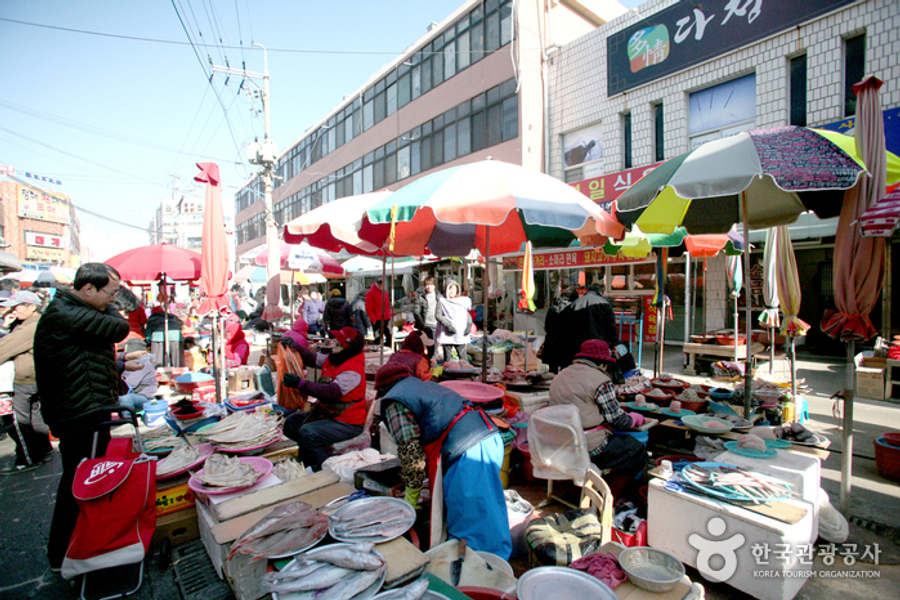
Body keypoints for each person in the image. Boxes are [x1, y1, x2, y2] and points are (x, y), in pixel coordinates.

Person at [34, 262, 132, 571]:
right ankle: (63, 553)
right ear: (88, 289)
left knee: (86, 477)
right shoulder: (64, 313)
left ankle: (84, 545)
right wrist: (112, 308)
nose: (113, 300)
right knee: (78, 482)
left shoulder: (76, 310)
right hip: (78, 411)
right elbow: (119, 327)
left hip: (86, 406)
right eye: (110, 293)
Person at [374, 362, 511, 559]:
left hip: (468, 451)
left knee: (471, 524)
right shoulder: (423, 386)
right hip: (488, 437)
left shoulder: (394, 402)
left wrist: (411, 495)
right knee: (488, 511)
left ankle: (481, 569)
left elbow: (411, 452)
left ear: (382, 390)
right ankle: (495, 561)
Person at [548, 339, 646, 498]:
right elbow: (619, 421)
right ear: (603, 363)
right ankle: (610, 498)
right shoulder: (600, 380)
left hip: (559, 442)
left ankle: (576, 491)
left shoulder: (562, 374)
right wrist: (634, 418)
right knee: (635, 449)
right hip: (587, 446)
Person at [279, 326, 367, 471]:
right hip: (328, 414)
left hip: (348, 422)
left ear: (347, 348)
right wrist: (295, 345)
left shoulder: (353, 369)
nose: (333, 346)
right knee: (291, 422)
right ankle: (303, 461)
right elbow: (312, 358)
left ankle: (322, 470)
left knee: (309, 433)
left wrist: (300, 384)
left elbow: (331, 392)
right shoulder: (334, 358)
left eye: (337, 344)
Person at [0, 291, 52, 474]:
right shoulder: (36, 322)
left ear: (31, 307)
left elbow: (3, 349)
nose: (13, 310)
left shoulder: (30, 327)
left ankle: (27, 459)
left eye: (17, 306)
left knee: (18, 421)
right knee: (34, 416)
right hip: (35, 378)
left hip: (24, 380)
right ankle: (43, 450)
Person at [557, 282, 619, 371]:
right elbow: (610, 324)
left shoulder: (576, 303)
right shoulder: (604, 303)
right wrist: (614, 342)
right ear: (601, 291)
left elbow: (568, 326)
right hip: (599, 344)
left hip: (579, 344)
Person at [540, 286, 579, 373]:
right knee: (566, 371)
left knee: (552, 370)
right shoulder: (574, 309)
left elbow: (547, 327)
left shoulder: (552, 308)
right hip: (568, 344)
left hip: (552, 342)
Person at [435, 279, 471, 363]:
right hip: (446, 334)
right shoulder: (442, 301)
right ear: (446, 290)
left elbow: (467, 314)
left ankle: (465, 371)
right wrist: (448, 326)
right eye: (450, 288)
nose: (452, 291)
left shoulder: (463, 301)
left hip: (460, 334)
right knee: (447, 361)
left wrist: (469, 325)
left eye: (454, 289)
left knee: (463, 360)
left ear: (457, 290)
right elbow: (438, 316)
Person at [412, 276, 442, 360]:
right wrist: (422, 325)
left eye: (431, 285)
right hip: (426, 325)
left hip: (437, 324)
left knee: (435, 346)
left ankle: (432, 360)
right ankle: (430, 361)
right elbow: (416, 312)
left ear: (434, 285)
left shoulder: (439, 297)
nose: (428, 287)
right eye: (426, 285)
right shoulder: (421, 297)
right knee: (430, 347)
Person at [365, 277, 392, 347]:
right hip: (377, 319)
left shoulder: (385, 293)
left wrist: (389, 316)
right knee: (378, 338)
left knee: (389, 336)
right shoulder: (370, 293)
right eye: (379, 283)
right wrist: (373, 319)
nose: (380, 285)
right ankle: (377, 350)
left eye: (381, 284)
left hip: (386, 318)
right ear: (375, 283)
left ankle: (387, 349)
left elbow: (387, 306)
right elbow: (368, 308)